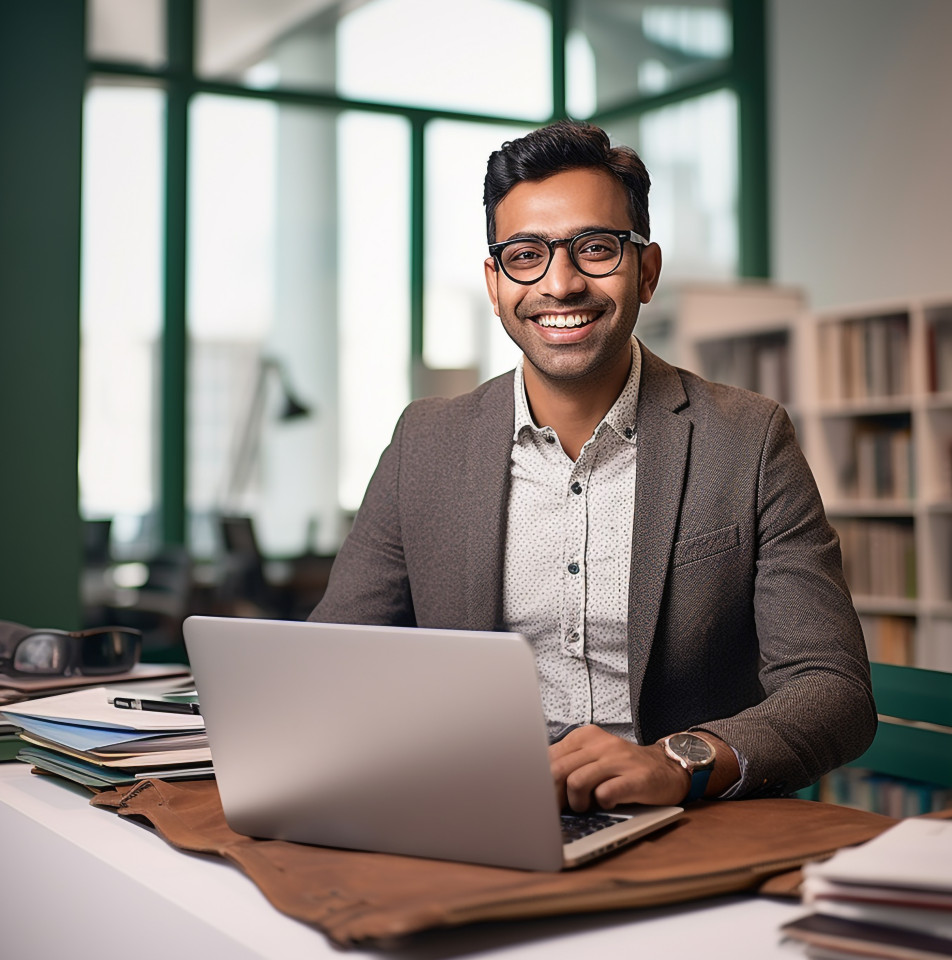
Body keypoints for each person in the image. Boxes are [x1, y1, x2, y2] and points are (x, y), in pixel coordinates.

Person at [310, 120, 876, 809]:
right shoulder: (423, 444)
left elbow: (832, 689)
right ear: (495, 283)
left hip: (682, 822)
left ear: (647, 269)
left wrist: (678, 762)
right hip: (475, 812)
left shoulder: (748, 439)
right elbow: (331, 663)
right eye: (526, 255)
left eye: (596, 249)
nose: (562, 283)